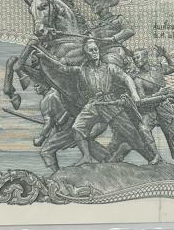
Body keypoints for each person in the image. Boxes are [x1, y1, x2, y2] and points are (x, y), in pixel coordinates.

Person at [35, 38, 159, 166]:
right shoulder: (82, 70)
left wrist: (134, 93)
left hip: (110, 104)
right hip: (93, 104)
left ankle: (152, 158)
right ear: (86, 54)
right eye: (91, 50)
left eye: (96, 49)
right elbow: (62, 68)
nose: (95, 52)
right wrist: (45, 57)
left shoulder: (110, 67)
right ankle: (86, 156)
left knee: (132, 135)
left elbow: (126, 78)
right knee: (77, 128)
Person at [131, 46, 174, 170]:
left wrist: (166, 54)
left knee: (172, 138)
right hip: (150, 110)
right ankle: (156, 156)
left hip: (164, 108)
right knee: (143, 128)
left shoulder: (158, 69)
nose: (136, 60)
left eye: (138, 57)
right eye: (134, 58)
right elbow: (141, 100)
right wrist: (159, 95)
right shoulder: (137, 79)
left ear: (146, 57)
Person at [84, 0, 134, 68]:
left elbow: (129, 31)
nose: (92, 6)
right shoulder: (92, 24)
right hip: (97, 53)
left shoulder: (118, 18)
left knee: (108, 64)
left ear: (106, 3)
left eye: (95, 4)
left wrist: (113, 38)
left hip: (114, 52)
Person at [32, 81, 75, 172]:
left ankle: (57, 173)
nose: (35, 88)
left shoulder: (46, 100)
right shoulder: (58, 91)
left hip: (66, 128)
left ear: (44, 85)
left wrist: (41, 138)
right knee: (88, 143)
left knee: (46, 151)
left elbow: (49, 123)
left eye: (37, 85)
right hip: (73, 123)